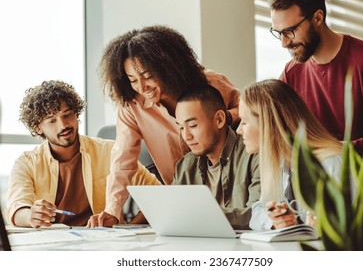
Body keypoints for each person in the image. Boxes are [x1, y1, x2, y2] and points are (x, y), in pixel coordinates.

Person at [92, 25, 240, 226]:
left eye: (147, 76)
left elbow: (254, 113)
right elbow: (122, 159)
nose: (142, 88)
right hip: (181, 196)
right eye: (133, 80)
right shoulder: (132, 105)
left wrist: (225, 119)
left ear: (167, 66)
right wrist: (112, 209)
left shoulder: (210, 83)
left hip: (228, 191)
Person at [5, 80, 159, 228]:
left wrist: (130, 228)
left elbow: (157, 196)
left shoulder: (109, 151)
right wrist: (30, 216)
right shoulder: (26, 162)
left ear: (76, 114)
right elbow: (16, 208)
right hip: (52, 243)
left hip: (103, 241)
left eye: (67, 115)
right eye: (52, 120)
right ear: (37, 127)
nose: (63, 125)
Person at [268, 0, 363, 152]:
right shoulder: (291, 74)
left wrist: (335, 149)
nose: (284, 43)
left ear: (318, 18)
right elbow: (267, 118)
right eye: (278, 33)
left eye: (289, 31)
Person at [237, 79, 343, 231]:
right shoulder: (279, 162)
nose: (239, 130)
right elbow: (257, 211)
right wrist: (274, 221)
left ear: (268, 124)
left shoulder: (330, 163)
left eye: (244, 122)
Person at [173, 86, 260, 229]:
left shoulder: (253, 153)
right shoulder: (185, 166)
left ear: (219, 119)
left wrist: (203, 215)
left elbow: (259, 215)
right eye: (181, 128)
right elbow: (174, 214)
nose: (186, 136)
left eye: (193, 125)